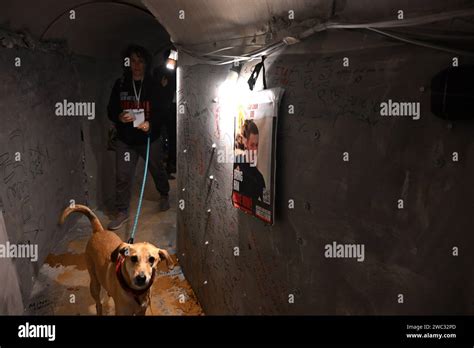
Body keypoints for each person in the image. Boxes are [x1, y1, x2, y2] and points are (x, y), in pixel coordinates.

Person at [107, 44, 170, 230]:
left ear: (146, 63)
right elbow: (111, 109)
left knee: (157, 169)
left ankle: (164, 194)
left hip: (149, 138)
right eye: (133, 61)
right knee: (122, 175)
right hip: (126, 139)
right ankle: (122, 211)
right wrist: (118, 116)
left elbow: (162, 111)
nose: (136, 65)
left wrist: (151, 124)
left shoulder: (153, 85)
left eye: (140, 61)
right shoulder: (120, 84)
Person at [234, 120, 266, 209]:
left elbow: (265, 206)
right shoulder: (236, 163)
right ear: (245, 142)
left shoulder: (259, 178)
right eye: (252, 145)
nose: (255, 150)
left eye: (257, 145)